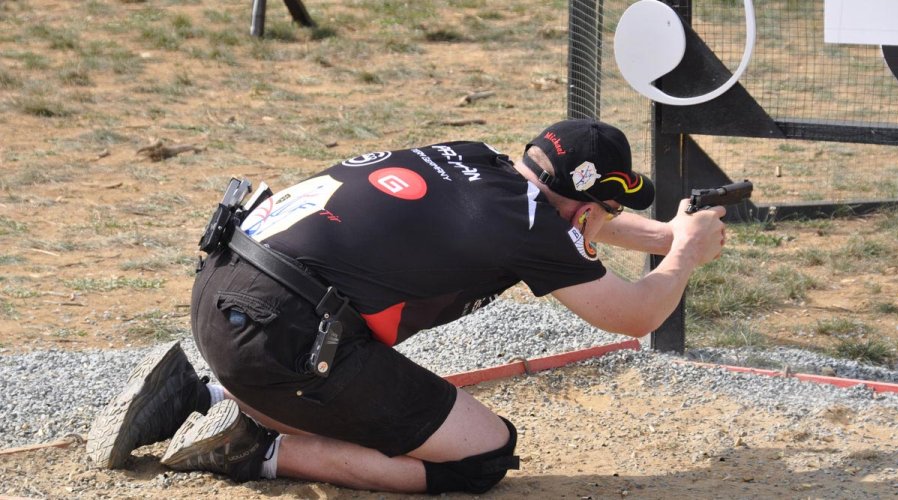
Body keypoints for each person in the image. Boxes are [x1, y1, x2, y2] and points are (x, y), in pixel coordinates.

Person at [87, 119, 726, 494]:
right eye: (611, 208)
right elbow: (637, 313)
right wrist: (685, 258)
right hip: (283, 337)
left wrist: (671, 233)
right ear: (586, 203)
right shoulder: (532, 231)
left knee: (343, 349)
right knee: (482, 458)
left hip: (223, 290)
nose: (608, 220)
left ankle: (204, 395)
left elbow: (566, 226)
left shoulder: (476, 161)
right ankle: (255, 447)